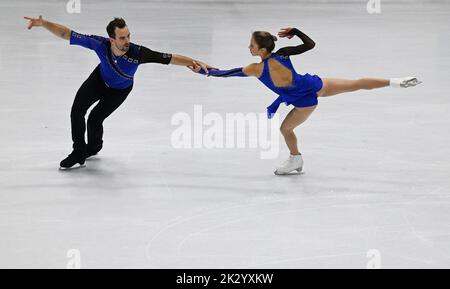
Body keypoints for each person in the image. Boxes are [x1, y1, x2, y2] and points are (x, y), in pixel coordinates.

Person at [189, 26, 421, 175]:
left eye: (251, 45)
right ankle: (395, 81)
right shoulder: (283, 53)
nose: (248, 47)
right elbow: (310, 45)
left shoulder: (254, 69)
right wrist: (296, 31)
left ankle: (296, 160)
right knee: (356, 83)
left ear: (260, 48)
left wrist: (203, 71)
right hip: (314, 85)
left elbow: (225, 73)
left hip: (304, 101)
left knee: (285, 128)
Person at [24, 16, 216, 169]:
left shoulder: (138, 53)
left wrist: (195, 62)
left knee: (94, 119)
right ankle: (78, 152)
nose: (127, 41)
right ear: (112, 39)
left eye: (128, 36)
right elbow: (67, 33)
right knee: (77, 110)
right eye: (122, 38)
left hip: (120, 90)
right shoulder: (99, 44)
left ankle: (93, 148)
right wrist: (44, 23)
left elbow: (170, 58)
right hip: (98, 80)